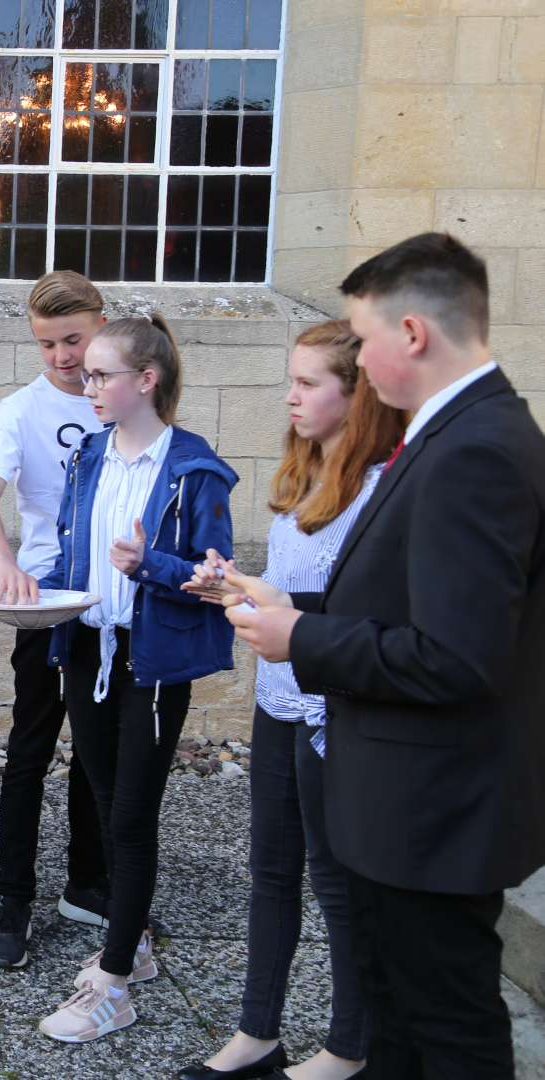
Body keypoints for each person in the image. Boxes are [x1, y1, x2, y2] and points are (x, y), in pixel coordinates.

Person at [224, 232, 545, 1079]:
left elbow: (456, 657)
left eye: (363, 341)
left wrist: (304, 640)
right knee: (399, 1028)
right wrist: (298, 606)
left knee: (446, 1031)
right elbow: (415, 604)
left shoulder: (474, 450)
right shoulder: (456, 433)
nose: (359, 363)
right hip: (409, 808)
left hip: (432, 813)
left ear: (412, 333)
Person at [174, 321, 404, 1080]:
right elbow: (297, 588)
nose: (290, 395)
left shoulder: (382, 490)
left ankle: (348, 1048)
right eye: (292, 379)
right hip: (279, 697)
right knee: (270, 872)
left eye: (308, 383)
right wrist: (234, 585)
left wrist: (277, 600)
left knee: (337, 883)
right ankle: (257, 1035)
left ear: (356, 393)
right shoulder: (300, 472)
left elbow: (366, 612)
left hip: (335, 709)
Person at [34, 314, 238, 1044]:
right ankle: (134, 943)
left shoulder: (193, 469)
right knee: (104, 797)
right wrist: (34, 598)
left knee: (130, 817)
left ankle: (113, 981)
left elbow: (219, 578)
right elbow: (70, 555)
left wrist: (152, 565)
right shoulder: (89, 455)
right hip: (86, 652)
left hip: (150, 662)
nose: (84, 385)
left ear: (144, 380)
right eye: (84, 374)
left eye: (98, 375)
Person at [0, 271, 111, 968]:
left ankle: (88, 885)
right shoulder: (18, 410)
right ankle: (13, 899)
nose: (61, 355)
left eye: (73, 340)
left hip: (111, 603)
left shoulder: (125, 397)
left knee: (97, 751)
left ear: (102, 326)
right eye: (47, 344)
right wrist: (6, 563)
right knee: (29, 751)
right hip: (44, 601)